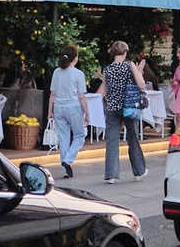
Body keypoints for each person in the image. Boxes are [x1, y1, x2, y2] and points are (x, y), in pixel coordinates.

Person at [101, 40, 149, 181]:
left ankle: (111, 175)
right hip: (129, 107)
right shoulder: (129, 65)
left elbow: (105, 90)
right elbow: (141, 84)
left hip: (112, 107)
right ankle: (139, 171)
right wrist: (138, 72)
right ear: (125, 52)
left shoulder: (107, 69)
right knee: (132, 138)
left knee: (112, 141)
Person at [48, 46, 90, 177]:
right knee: (79, 135)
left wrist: (50, 110)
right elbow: (81, 96)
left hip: (59, 107)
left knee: (64, 137)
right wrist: (87, 112)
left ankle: (65, 167)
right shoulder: (78, 74)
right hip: (73, 107)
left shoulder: (56, 72)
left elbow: (52, 94)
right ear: (75, 58)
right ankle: (68, 160)